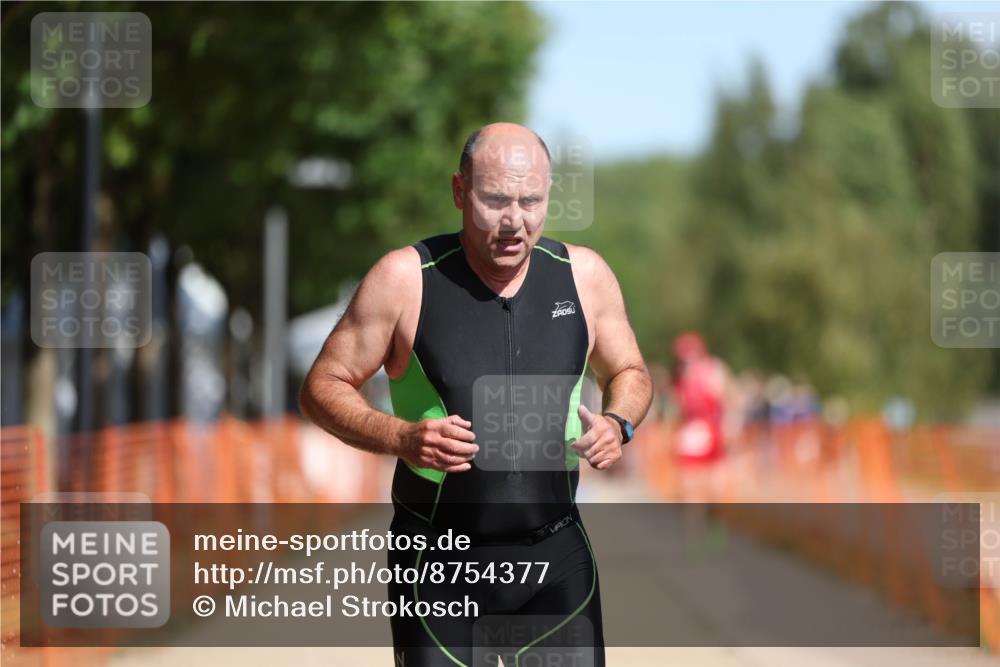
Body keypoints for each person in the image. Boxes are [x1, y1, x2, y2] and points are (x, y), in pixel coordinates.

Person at [300, 122, 652, 666]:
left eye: (531, 201)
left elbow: (629, 368)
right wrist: (400, 436)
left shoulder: (583, 277)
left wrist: (618, 421)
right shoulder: (405, 279)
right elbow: (321, 386)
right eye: (495, 201)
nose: (515, 221)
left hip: (555, 559)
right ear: (460, 192)